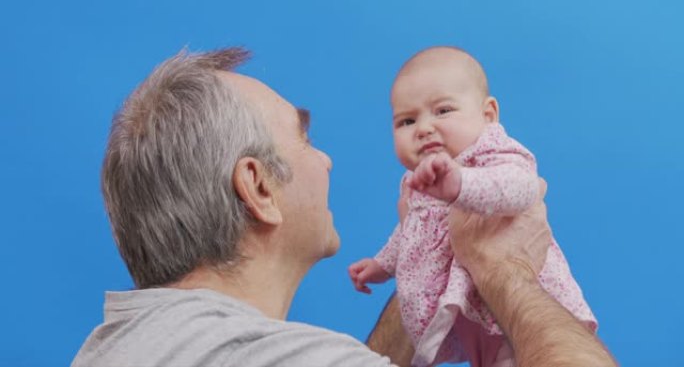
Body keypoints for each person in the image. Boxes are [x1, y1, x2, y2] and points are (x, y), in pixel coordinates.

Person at [71, 47, 616, 367]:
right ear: (259, 189)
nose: (327, 160)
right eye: (305, 140)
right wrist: (505, 268)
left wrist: (435, 258)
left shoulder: (116, 347)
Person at [348, 47, 598, 367]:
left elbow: (521, 189)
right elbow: (412, 230)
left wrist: (461, 185)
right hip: (471, 320)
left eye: (443, 111)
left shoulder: (490, 153)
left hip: (518, 309)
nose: (423, 128)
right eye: (407, 120)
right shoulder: (416, 181)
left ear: (488, 115)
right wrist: (382, 265)